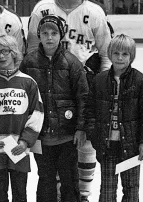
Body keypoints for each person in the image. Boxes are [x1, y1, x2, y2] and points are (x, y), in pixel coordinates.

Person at [26, 0, 111, 202]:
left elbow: (105, 55)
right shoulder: (42, 9)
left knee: (85, 144)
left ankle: (82, 195)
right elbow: (31, 52)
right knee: (52, 146)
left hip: (83, 88)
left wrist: (100, 88)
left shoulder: (95, 12)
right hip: (50, 90)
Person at [20, 15, 88, 202]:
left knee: (70, 180)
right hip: (40, 136)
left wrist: (81, 128)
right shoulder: (29, 62)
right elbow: (23, 97)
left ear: (61, 35)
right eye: (45, 33)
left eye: (54, 33)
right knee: (46, 179)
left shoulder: (72, 62)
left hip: (67, 136)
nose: (49, 37)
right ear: (39, 35)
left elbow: (83, 97)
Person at [85, 34, 143, 202]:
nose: (119, 58)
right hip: (107, 146)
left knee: (131, 191)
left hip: (131, 147)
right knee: (107, 192)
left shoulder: (140, 81)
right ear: (110, 54)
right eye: (116, 53)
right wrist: (94, 136)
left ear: (131, 56)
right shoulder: (100, 80)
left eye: (125, 54)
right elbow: (90, 111)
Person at [0, 34, 44, 202]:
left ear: (14, 52)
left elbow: (37, 114)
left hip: (19, 148)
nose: (1, 56)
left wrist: (25, 141)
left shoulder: (28, 82)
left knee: (20, 192)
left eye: (5, 51)